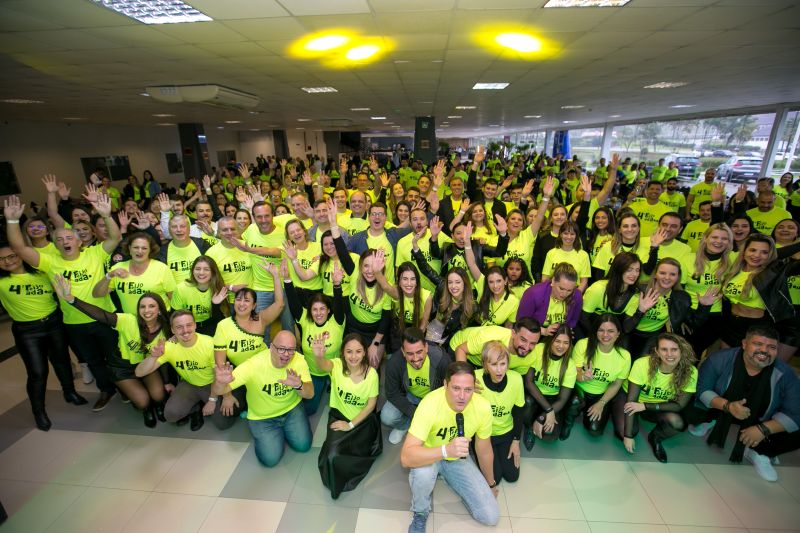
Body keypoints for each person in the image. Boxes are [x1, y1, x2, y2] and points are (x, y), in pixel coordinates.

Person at [5, 193, 122, 411]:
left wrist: (107, 216)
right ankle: (106, 390)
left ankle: (125, 388)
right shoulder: (49, 262)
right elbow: (19, 248)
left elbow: (115, 238)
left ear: (79, 241)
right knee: (93, 360)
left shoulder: (95, 253)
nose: (65, 241)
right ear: (55, 245)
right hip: (75, 323)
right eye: (59, 239)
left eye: (69, 237)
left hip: (104, 317)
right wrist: (12, 221)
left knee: (115, 356)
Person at [688, 326, 800, 481]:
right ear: (744, 344)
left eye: (771, 347)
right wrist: (728, 406)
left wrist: (763, 429)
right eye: (758, 344)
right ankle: (709, 420)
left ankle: (760, 452)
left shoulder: (785, 373)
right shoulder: (719, 358)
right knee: (688, 408)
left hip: (761, 417)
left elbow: (795, 412)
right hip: (720, 408)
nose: (764, 351)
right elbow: (701, 389)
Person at [54, 276, 168, 427]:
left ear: (159, 309)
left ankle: (158, 406)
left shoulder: (166, 329)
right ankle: (147, 409)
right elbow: (100, 314)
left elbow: (167, 357)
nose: (147, 310)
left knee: (159, 396)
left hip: (147, 366)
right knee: (143, 401)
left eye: (152, 306)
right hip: (122, 368)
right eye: (142, 307)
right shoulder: (128, 321)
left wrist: (167, 382)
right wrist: (71, 299)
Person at [400, 361, 499, 532]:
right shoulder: (429, 404)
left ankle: (447, 476)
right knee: (423, 475)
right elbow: (406, 458)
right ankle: (420, 513)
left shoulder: (482, 407)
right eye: (456, 388)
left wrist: (490, 484)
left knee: (490, 516)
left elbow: (484, 450)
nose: (462, 396)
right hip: (430, 454)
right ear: (445, 385)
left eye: (468, 390)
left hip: (457, 458)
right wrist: (445, 450)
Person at [0, 243, 86, 430]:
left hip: (54, 323)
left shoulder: (42, 273)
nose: (7, 261)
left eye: (12, 256)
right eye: (2, 259)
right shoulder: (1, 282)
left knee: (62, 361)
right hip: (27, 331)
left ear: (21, 255)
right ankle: (38, 411)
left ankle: (69, 392)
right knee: (38, 373)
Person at [212, 331, 314, 467]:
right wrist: (220, 382)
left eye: (291, 350)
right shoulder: (253, 365)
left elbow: (310, 394)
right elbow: (219, 390)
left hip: (292, 409)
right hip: (262, 418)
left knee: (303, 446)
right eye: (281, 349)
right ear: (271, 347)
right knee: (270, 460)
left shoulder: (298, 360)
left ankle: (283, 433)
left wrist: (299, 385)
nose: (286, 354)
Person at [135, 310, 235, 431]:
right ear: (172, 330)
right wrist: (153, 357)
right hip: (189, 383)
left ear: (195, 325)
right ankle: (195, 408)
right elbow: (139, 372)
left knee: (223, 423)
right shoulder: (168, 347)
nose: (185, 330)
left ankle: (204, 401)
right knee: (171, 415)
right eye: (179, 327)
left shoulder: (210, 343)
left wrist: (212, 400)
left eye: (189, 325)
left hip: (212, 383)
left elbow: (219, 376)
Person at [312, 333, 381, 499]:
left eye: (358, 351)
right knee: (332, 456)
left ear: (364, 352)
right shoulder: (336, 365)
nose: (353, 356)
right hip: (339, 417)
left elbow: (370, 405)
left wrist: (350, 425)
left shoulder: (372, 374)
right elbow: (323, 365)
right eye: (349, 351)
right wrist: (319, 356)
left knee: (358, 452)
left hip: (361, 421)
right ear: (342, 352)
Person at [617, 333, 698, 463]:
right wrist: (628, 436)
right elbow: (631, 402)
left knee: (678, 423)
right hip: (631, 399)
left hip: (653, 405)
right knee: (626, 431)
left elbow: (679, 405)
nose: (669, 354)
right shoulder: (642, 364)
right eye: (664, 349)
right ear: (657, 351)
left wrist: (645, 406)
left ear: (681, 350)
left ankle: (655, 438)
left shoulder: (691, 372)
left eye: (674, 349)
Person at [284, 261, 345, 415]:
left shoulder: (337, 321)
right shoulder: (305, 320)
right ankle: (322, 385)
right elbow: (293, 302)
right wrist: (287, 279)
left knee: (342, 408)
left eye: (322, 309)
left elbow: (339, 302)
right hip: (313, 373)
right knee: (309, 409)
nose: (318, 313)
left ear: (329, 310)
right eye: (315, 310)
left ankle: (330, 383)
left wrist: (337, 284)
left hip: (335, 370)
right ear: (310, 312)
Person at [629, 258, 716, 358]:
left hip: (653, 336)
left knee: (642, 361)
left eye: (672, 274)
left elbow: (693, 322)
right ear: (655, 274)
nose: (667, 278)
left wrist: (704, 306)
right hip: (629, 332)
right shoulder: (638, 289)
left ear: (678, 277)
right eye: (662, 273)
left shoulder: (681, 298)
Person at [565, 315, 631, 439]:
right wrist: (583, 377)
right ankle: (568, 420)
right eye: (601, 330)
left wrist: (601, 403)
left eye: (611, 331)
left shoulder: (625, 356)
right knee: (575, 401)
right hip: (578, 389)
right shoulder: (583, 345)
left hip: (599, 394)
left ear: (618, 334)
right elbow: (574, 373)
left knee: (595, 430)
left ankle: (587, 410)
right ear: (596, 332)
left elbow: (616, 384)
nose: (605, 335)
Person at [382, 327, 450, 444]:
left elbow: (452, 384)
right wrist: (415, 413)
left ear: (426, 347)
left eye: (419, 352)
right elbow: (392, 394)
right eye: (410, 354)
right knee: (387, 416)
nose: (415, 359)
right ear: (403, 352)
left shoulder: (441, 360)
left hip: (433, 398)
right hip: (409, 395)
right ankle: (405, 425)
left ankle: (427, 428)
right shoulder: (394, 363)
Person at [475, 341, 525, 485]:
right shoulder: (475, 379)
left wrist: (516, 441)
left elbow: (519, 412)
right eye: (493, 364)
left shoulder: (516, 379)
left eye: (503, 364)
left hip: (506, 432)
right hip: (484, 435)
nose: (499, 370)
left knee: (512, 476)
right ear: (485, 365)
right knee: (494, 479)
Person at [92, 231, 175, 315]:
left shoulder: (161, 268)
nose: (140, 251)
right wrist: (109, 275)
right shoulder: (117, 268)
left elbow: (173, 298)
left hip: (157, 319)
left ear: (150, 250)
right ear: (129, 249)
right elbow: (97, 294)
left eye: (144, 248)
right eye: (136, 247)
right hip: (131, 321)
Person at [522, 325, 576, 449]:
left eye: (566, 343)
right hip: (534, 394)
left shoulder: (570, 365)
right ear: (551, 340)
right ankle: (529, 427)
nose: (561, 346)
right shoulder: (539, 349)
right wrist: (549, 411)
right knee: (527, 401)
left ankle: (540, 418)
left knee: (549, 436)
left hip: (553, 400)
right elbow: (529, 382)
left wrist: (542, 417)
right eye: (557, 341)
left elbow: (562, 399)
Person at [516, 262, 583, 335]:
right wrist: (543, 331)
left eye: (569, 290)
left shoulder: (577, 295)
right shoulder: (533, 293)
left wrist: (565, 331)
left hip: (559, 334)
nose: (564, 294)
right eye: (561, 288)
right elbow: (521, 322)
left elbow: (573, 320)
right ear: (553, 281)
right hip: (533, 332)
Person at [452, 319, 541, 371]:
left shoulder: (531, 355)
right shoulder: (491, 336)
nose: (527, 348)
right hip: (459, 349)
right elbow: (460, 349)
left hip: (485, 365)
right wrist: (466, 378)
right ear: (513, 334)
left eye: (533, 343)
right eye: (523, 340)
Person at [541, 221, 591, 292]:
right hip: (553, 292)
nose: (569, 237)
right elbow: (545, 278)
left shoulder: (583, 255)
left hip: (574, 292)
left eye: (572, 234)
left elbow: (584, 282)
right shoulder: (551, 253)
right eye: (565, 233)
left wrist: (575, 295)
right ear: (560, 234)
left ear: (576, 236)